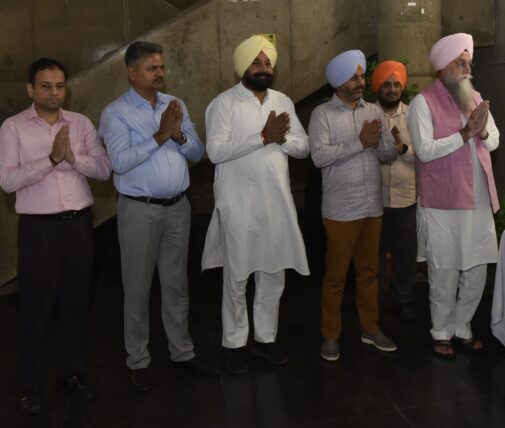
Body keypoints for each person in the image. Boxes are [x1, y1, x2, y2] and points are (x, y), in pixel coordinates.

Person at [0, 58, 112, 414]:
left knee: (76, 303)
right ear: (30, 89)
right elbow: (7, 180)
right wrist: (50, 159)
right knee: (37, 306)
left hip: (78, 226)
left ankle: (70, 374)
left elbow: (104, 169)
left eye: (60, 86)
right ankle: (30, 385)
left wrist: (73, 158)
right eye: (46, 86)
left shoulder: (80, 123)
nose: (54, 92)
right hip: (39, 229)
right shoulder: (13, 128)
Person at [99, 40, 216, 392]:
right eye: (152, 68)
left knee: (176, 285)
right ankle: (138, 360)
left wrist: (178, 135)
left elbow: (197, 152)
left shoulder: (174, 104)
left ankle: (182, 352)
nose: (160, 73)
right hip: (140, 210)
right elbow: (120, 162)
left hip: (178, 208)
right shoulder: (116, 113)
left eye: (162, 67)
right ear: (132, 72)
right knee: (137, 287)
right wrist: (161, 135)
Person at [202, 35, 310, 375]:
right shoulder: (223, 104)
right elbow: (215, 151)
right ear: (242, 67)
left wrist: (282, 139)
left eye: (267, 63)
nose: (263, 69)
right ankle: (234, 344)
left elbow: (303, 146)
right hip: (237, 204)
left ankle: (265, 339)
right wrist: (262, 138)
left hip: (276, 203)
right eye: (256, 63)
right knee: (237, 276)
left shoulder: (283, 101)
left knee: (273, 273)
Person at [408, 33, 500, 360]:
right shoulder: (423, 103)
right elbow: (424, 150)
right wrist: (464, 134)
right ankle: (441, 331)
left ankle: (463, 326)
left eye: (468, 64)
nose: (467, 70)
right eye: (461, 63)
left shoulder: (475, 98)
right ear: (443, 66)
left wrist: (482, 130)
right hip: (442, 201)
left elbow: (494, 141)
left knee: (477, 267)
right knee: (444, 269)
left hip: (478, 199)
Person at [309, 49, 398, 362]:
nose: (361, 82)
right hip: (340, 210)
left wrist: (385, 143)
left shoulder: (372, 110)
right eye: (354, 77)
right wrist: (359, 143)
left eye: (361, 76)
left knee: (369, 274)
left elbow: (387, 154)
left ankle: (370, 329)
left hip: (372, 206)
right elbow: (319, 156)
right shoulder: (322, 115)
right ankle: (330, 335)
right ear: (338, 82)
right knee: (336, 278)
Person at [371, 60, 417, 323]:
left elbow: (425, 156)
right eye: (386, 84)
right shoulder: (366, 114)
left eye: (396, 84)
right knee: (373, 256)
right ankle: (373, 304)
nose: (391, 89)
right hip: (373, 199)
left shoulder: (414, 116)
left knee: (405, 256)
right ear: (377, 87)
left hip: (406, 198)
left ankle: (404, 300)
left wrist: (403, 150)